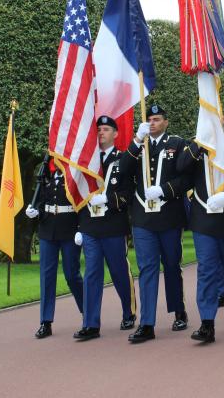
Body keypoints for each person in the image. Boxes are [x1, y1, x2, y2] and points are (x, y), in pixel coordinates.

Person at [119, 104, 190, 343]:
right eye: (149, 119)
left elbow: (186, 178)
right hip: (143, 217)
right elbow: (123, 171)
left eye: (157, 119)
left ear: (166, 122)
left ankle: (178, 310)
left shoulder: (178, 144)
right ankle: (147, 323)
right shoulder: (138, 145)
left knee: (171, 265)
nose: (152, 123)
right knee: (147, 268)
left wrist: (165, 190)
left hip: (169, 214)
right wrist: (137, 140)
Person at [177, 127, 224, 343]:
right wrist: (198, 144)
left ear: (223, 119)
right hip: (204, 218)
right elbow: (182, 168)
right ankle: (207, 322)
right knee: (206, 270)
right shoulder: (197, 146)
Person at [73, 116, 137, 341]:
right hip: (90, 225)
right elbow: (78, 193)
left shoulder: (122, 160)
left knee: (119, 271)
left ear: (115, 134)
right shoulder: (87, 162)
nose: (101, 132)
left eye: (106, 129)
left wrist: (108, 201)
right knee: (92, 274)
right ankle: (91, 324)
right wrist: (80, 225)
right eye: (99, 129)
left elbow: (128, 194)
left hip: (113, 224)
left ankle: (128, 311)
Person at [25, 161, 84, 339]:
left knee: (72, 275)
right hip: (47, 229)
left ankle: (88, 313)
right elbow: (43, 201)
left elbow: (83, 202)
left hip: (69, 228)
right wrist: (36, 211)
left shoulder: (75, 173)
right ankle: (45, 321)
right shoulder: (47, 173)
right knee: (46, 276)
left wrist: (82, 227)